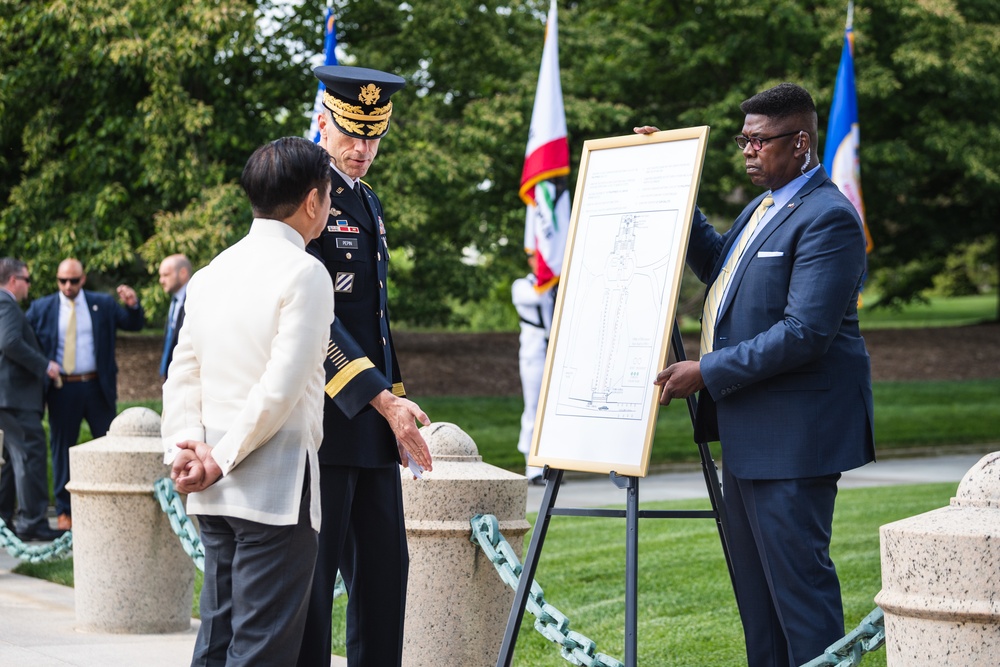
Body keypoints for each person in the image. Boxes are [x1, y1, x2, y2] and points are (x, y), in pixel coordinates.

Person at [641, 82, 875, 667]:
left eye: (758, 140)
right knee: (757, 602)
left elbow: (805, 333)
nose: (747, 150)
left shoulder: (828, 217)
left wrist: (707, 370)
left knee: (800, 596)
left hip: (796, 437)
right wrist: (674, 183)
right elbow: (717, 267)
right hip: (748, 432)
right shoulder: (762, 207)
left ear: (799, 142)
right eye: (742, 141)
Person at [161, 136, 335, 666]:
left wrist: (187, 449)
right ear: (312, 201)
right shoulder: (305, 272)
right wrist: (217, 457)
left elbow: (183, 371)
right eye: (329, 196)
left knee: (217, 641)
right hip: (274, 486)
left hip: (213, 483)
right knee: (260, 649)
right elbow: (282, 386)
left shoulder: (211, 273)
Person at [296, 65, 434, 667]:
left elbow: (374, 320)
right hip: (325, 423)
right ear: (323, 122)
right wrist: (383, 400)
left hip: (373, 425)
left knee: (384, 578)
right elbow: (313, 320)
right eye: (352, 134)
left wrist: (394, 408)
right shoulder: (305, 196)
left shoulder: (365, 200)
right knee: (313, 587)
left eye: (374, 136)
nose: (362, 149)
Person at [25, 258, 145, 530]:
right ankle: (65, 511)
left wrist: (133, 305)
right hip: (61, 388)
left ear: (83, 279)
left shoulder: (101, 304)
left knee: (108, 444)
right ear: (57, 280)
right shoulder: (42, 308)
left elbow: (133, 324)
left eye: (74, 280)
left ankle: (111, 503)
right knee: (61, 448)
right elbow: (21, 339)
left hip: (96, 386)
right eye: (63, 281)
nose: (68, 286)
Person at [0, 259, 65, 541]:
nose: (29, 286)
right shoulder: (6, 304)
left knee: (8, 462)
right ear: (14, 280)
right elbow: (10, 342)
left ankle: (4, 521)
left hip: (7, 398)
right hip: (14, 397)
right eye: (27, 280)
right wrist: (45, 365)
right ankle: (32, 522)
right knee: (30, 456)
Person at [511, 253, 555, 484]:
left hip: (554, 349)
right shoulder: (521, 285)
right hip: (534, 352)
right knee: (534, 408)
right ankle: (532, 467)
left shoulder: (554, 285)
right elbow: (538, 297)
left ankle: (550, 464)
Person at [157, 253, 192, 379]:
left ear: (182, 273)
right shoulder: (175, 299)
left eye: (166, 275)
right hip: (171, 373)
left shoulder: (194, 299)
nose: (161, 280)